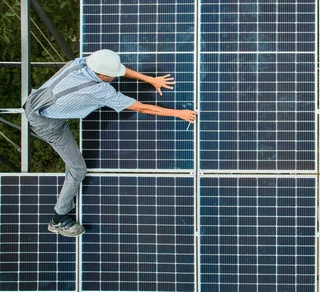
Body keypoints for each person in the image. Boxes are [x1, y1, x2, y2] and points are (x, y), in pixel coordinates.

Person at [24, 49, 197, 237]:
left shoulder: (81, 63)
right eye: (112, 76)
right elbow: (142, 108)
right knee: (78, 170)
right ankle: (57, 220)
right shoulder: (100, 91)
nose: (117, 77)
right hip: (47, 124)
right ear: (102, 75)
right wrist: (179, 113)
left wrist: (151, 79)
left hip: (37, 101)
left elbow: (119, 70)